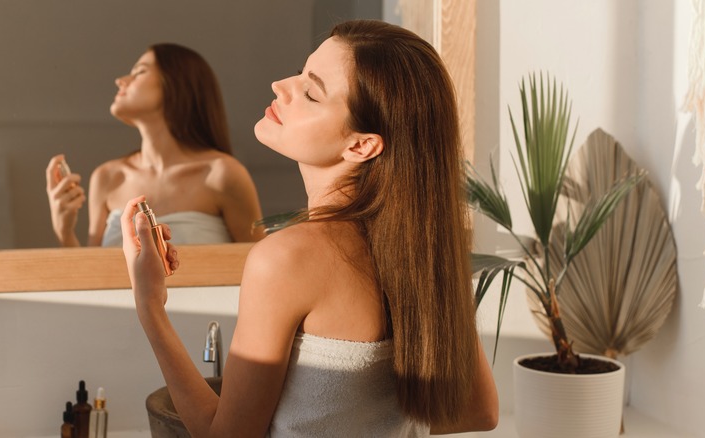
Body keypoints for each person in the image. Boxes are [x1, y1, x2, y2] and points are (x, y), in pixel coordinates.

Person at [121, 20, 498, 436]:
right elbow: (478, 411)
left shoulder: (286, 258)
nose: (281, 85)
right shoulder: (424, 254)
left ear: (360, 145)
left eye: (311, 91)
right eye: (300, 73)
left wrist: (150, 307)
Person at [45, 43, 263, 247]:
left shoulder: (223, 174)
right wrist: (64, 230)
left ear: (176, 83)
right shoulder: (108, 177)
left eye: (140, 71)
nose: (120, 80)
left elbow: (256, 265)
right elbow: (92, 276)